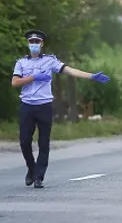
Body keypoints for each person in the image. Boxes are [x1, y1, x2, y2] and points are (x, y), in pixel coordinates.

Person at [11, 29, 111, 188]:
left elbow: (70, 70)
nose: (34, 45)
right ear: (28, 44)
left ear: (42, 44)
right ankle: (31, 168)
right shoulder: (21, 63)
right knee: (24, 142)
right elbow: (15, 83)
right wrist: (33, 77)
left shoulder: (50, 61)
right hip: (27, 105)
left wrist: (91, 76)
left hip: (44, 106)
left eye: (37, 42)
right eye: (31, 42)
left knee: (44, 142)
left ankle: (39, 176)